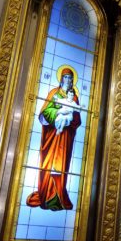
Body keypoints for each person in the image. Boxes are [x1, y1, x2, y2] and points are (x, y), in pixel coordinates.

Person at [26, 67, 81, 211]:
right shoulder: (53, 93)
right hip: (51, 138)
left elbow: (77, 119)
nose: (68, 80)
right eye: (65, 77)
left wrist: (70, 118)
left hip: (65, 139)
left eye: (70, 78)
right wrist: (58, 112)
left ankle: (58, 197)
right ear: (61, 79)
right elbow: (44, 112)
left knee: (61, 167)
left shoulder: (74, 97)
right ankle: (45, 195)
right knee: (48, 165)